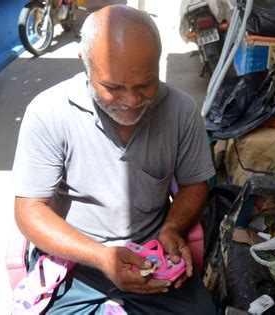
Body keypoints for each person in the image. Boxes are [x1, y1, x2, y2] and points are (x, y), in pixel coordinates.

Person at [12, 4, 216, 314]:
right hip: (75, 260)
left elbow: (194, 185)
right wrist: (100, 256)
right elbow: (29, 210)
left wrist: (172, 229)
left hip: (153, 255)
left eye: (145, 84)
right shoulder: (48, 113)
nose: (132, 101)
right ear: (86, 64)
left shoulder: (181, 110)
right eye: (113, 87)